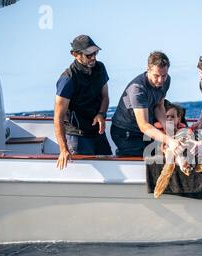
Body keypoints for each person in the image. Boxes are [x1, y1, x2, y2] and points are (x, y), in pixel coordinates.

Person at [54, 35, 112, 170]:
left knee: (110, 166)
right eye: (88, 55)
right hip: (77, 135)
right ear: (75, 54)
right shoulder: (67, 79)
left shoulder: (100, 68)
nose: (93, 58)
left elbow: (105, 97)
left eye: (95, 53)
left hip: (97, 132)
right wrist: (63, 149)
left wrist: (101, 114)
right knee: (84, 172)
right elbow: (58, 117)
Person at [110, 51, 180, 157]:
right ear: (148, 70)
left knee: (160, 155)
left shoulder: (167, 80)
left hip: (145, 131)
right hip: (125, 131)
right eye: (156, 76)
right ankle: (124, 153)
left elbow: (159, 106)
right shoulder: (137, 89)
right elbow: (143, 125)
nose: (161, 80)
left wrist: (169, 129)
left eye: (164, 76)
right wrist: (169, 141)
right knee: (145, 156)